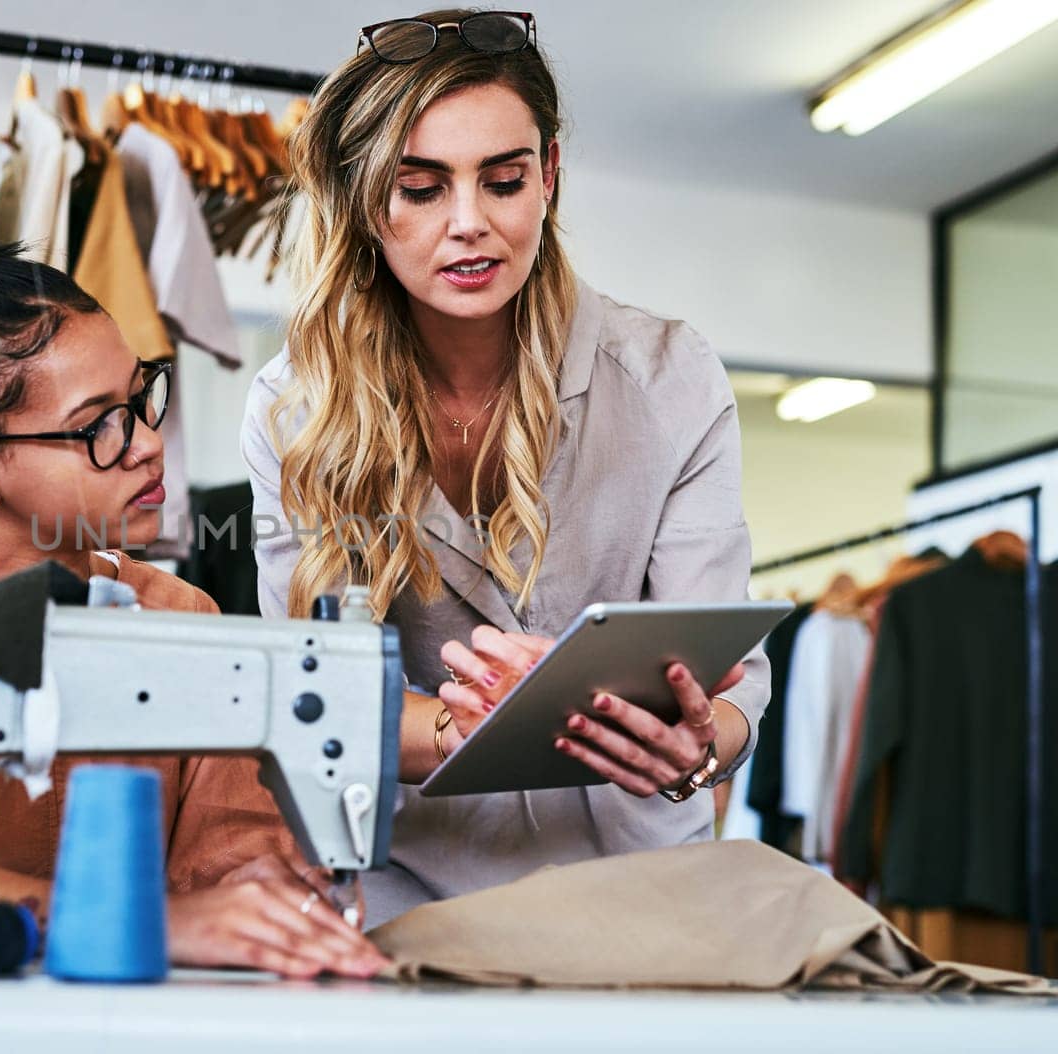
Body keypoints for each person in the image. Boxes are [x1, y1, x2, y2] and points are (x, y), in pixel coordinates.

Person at [242, 10, 767, 926]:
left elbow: (725, 682)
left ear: (549, 177)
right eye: (421, 187)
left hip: (641, 897)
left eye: (504, 180)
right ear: (367, 199)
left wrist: (701, 742)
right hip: (409, 898)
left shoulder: (670, 379)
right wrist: (466, 724)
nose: (470, 225)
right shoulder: (294, 410)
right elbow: (306, 696)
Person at [0, 245, 385, 978]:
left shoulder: (183, 619)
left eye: (142, 398)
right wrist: (158, 920)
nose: (146, 445)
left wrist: (273, 901)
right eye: (96, 427)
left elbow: (235, 862)